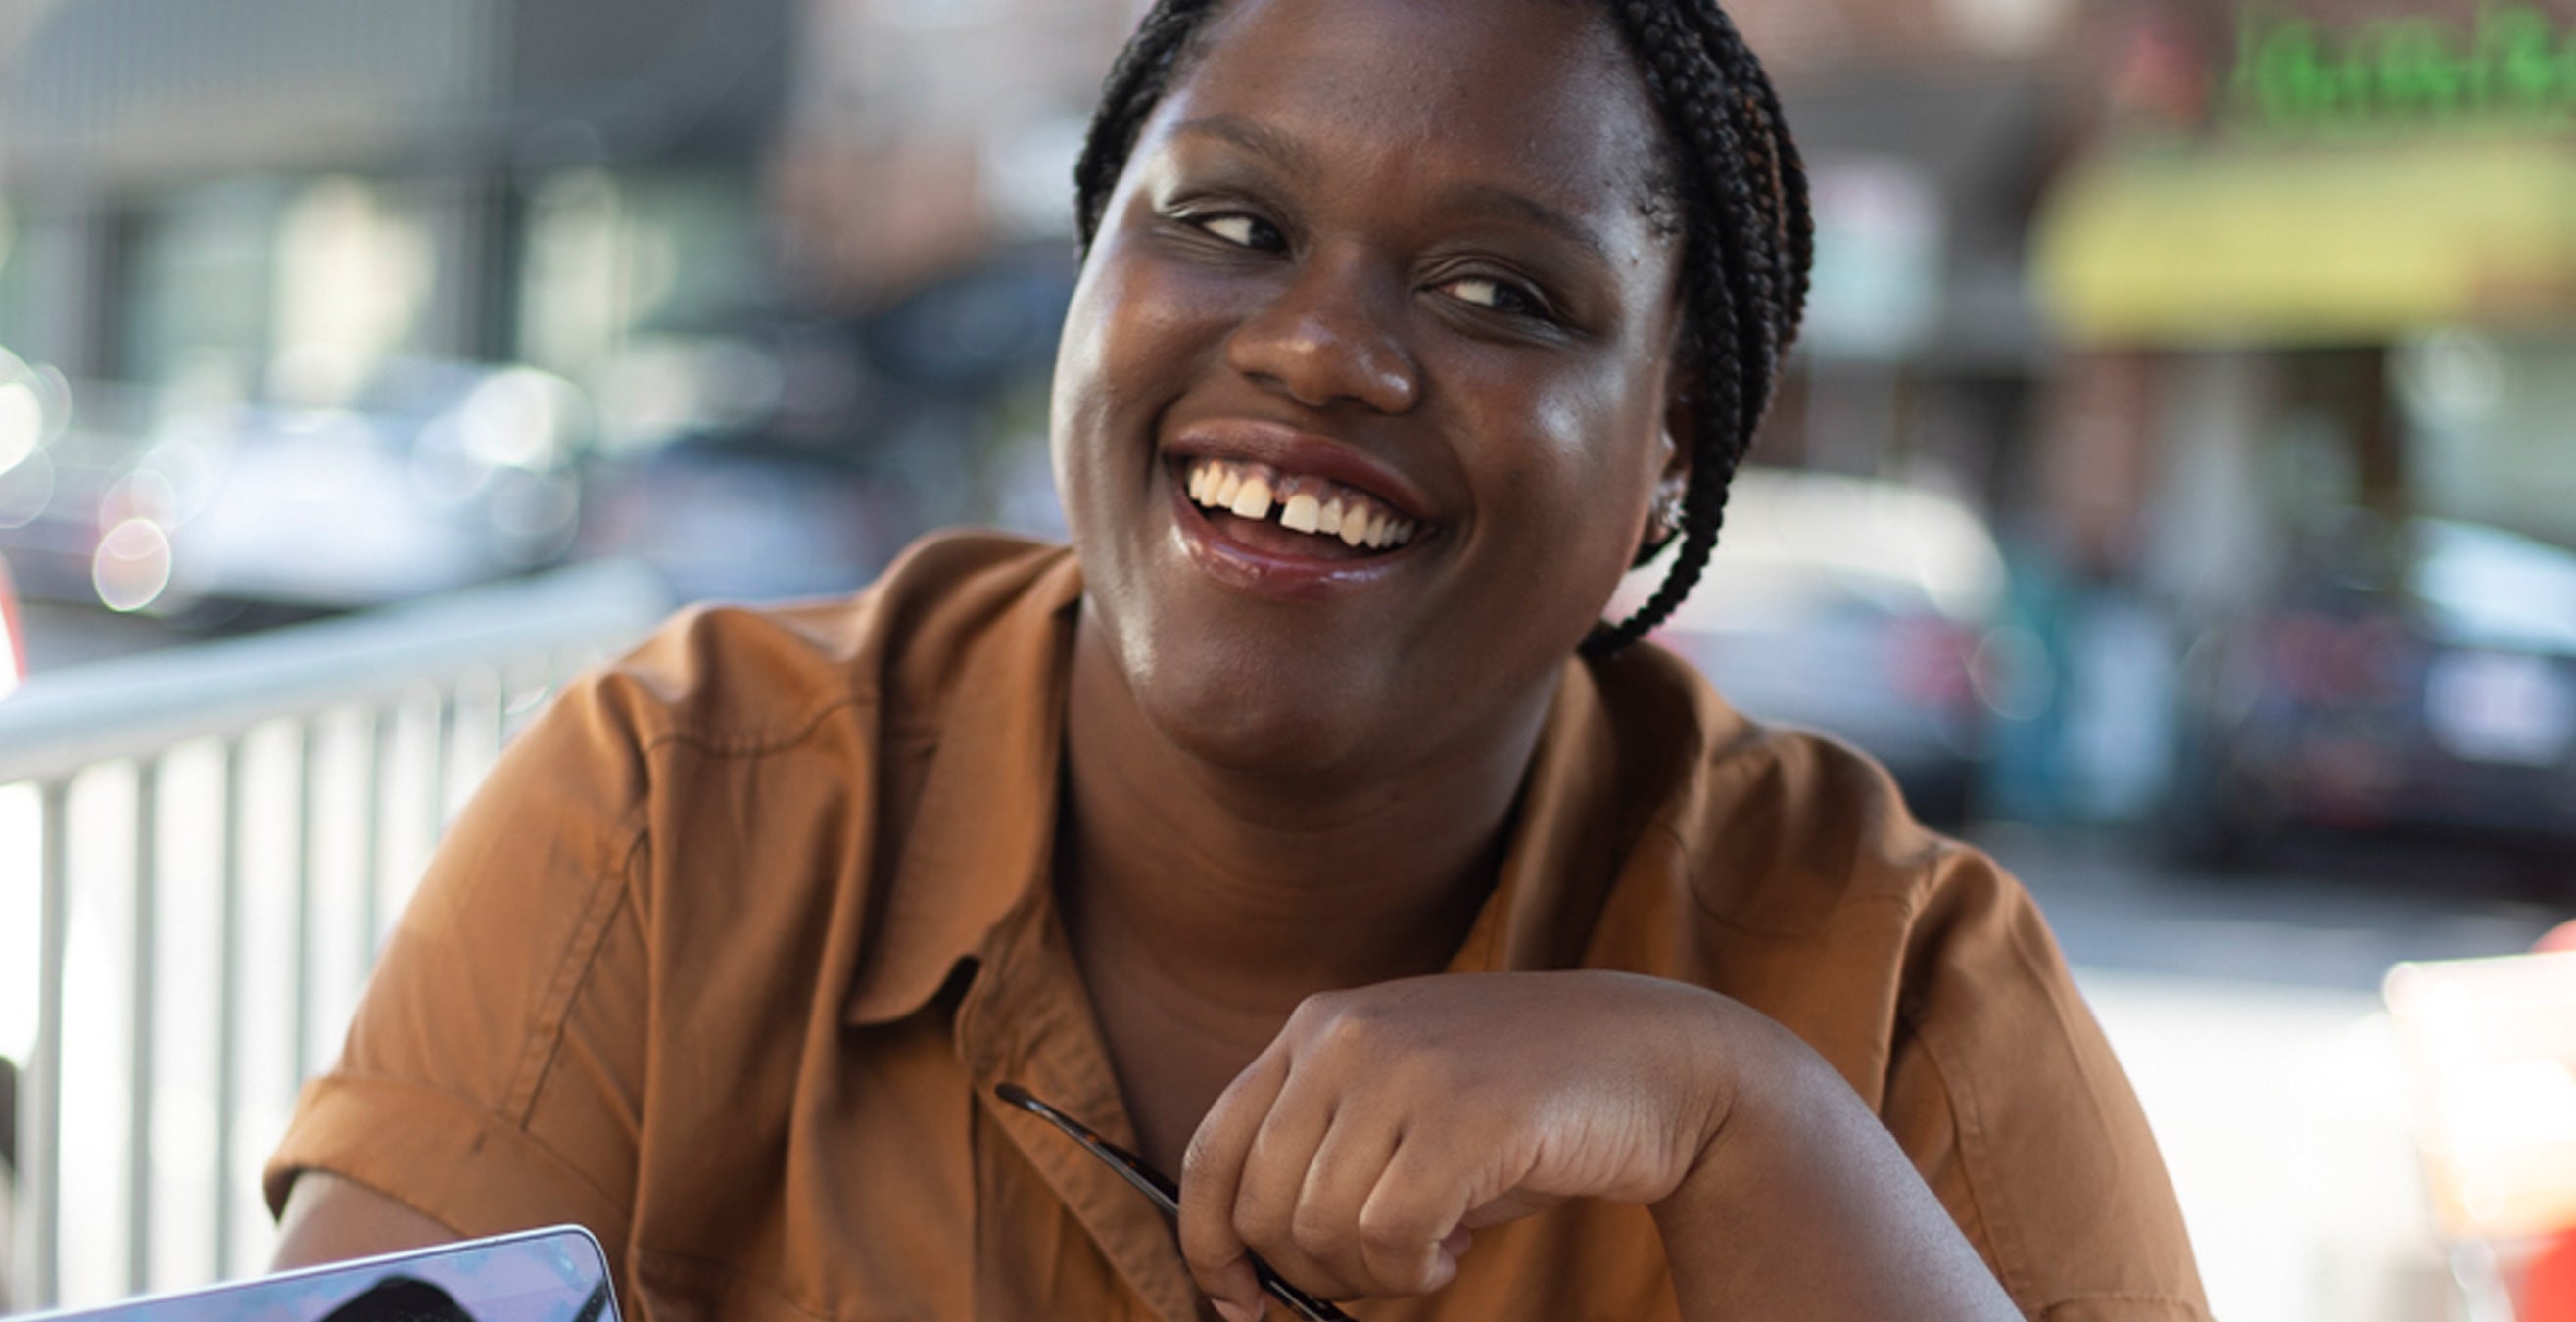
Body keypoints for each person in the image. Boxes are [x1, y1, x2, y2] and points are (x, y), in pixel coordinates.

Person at [263, 0, 2211, 1317]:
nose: (1320, 353)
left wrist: (1737, 1122)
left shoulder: (1895, 990)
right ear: (1086, 273)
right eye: (1225, 221)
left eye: (1495, 290)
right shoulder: (675, 806)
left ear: (1668, 453)